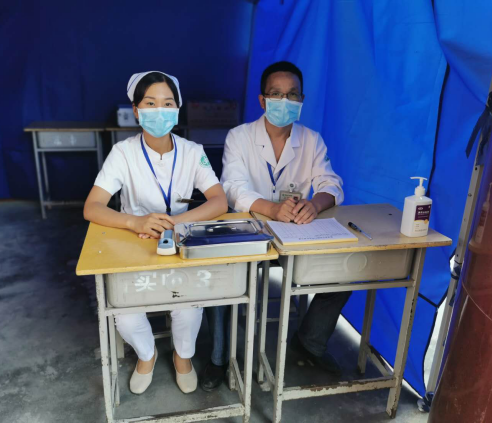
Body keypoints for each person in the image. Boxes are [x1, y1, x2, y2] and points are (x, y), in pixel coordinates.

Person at [201, 61, 349, 391]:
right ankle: (219, 357)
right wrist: (271, 209)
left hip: (295, 230)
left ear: (302, 100)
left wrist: (314, 204)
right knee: (219, 274)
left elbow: (331, 183)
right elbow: (232, 187)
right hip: (248, 228)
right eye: (276, 94)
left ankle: (310, 342)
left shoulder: (311, 140)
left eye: (292, 94)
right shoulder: (239, 137)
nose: (285, 101)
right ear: (262, 100)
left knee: (342, 271)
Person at [84, 71, 228, 395]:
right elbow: (92, 207)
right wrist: (133, 222)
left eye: (167, 103)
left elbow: (219, 201)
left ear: (177, 110)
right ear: (136, 111)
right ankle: (146, 355)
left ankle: (182, 357)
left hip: (179, 242)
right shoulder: (123, 153)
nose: (160, 110)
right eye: (150, 103)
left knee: (189, 306)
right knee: (125, 314)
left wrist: (178, 222)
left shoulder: (192, 151)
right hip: (134, 244)